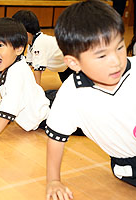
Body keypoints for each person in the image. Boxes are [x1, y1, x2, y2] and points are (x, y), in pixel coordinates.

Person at [45, 1, 136, 199]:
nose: (116, 61)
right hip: (130, 167)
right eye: (102, 55)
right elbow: (56, 140)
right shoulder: (71, 95)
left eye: (120, 48)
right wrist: (53, 181)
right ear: (73, 63)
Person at [0, 17, 50, 145]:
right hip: (40, 106)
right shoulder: (7, 65)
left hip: (46, 119)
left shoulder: (17, 72)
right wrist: (4, 118)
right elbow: (10, 97)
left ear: (18, 49)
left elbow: (11, 104)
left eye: (0, 45)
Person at [12, 10, 70, 85]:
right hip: (63, 67)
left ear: (26, 34)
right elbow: (29, 66)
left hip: (73, 61)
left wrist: (36, 90)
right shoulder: (32, 44)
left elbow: (38, 70)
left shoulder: (39, 44)